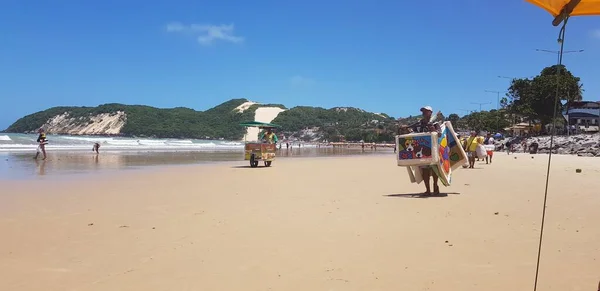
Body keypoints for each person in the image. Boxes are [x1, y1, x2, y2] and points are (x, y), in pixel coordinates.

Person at [407, 106, 442, 195]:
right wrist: (407, 128)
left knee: (434, 169)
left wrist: (432, 128)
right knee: (425, 171)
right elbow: (413, 132)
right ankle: (428, 189)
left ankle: (435, 186)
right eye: (423, 112)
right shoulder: (420, 123)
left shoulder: (435, 123)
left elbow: (439, 134)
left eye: (426, 112)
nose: (424, 114)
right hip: (422, 151)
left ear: (430, 112)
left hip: (433, 150)